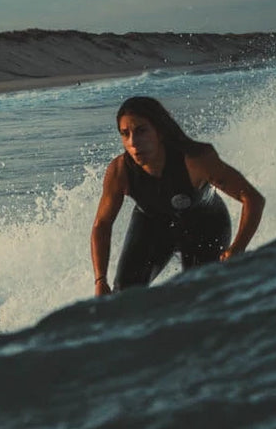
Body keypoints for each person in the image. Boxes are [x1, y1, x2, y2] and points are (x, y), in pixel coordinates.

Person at [91, 95, 264, 297]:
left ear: (160, 131)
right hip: (152, 224)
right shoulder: (120, 171)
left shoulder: (196, 160)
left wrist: (238, 248)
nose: (133, 142)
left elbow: (252, 198)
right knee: (124, 295)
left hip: (206, 225)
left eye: (141, 131)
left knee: (197, 296)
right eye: (125, 133)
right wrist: (100, 280)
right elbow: (101, 224)